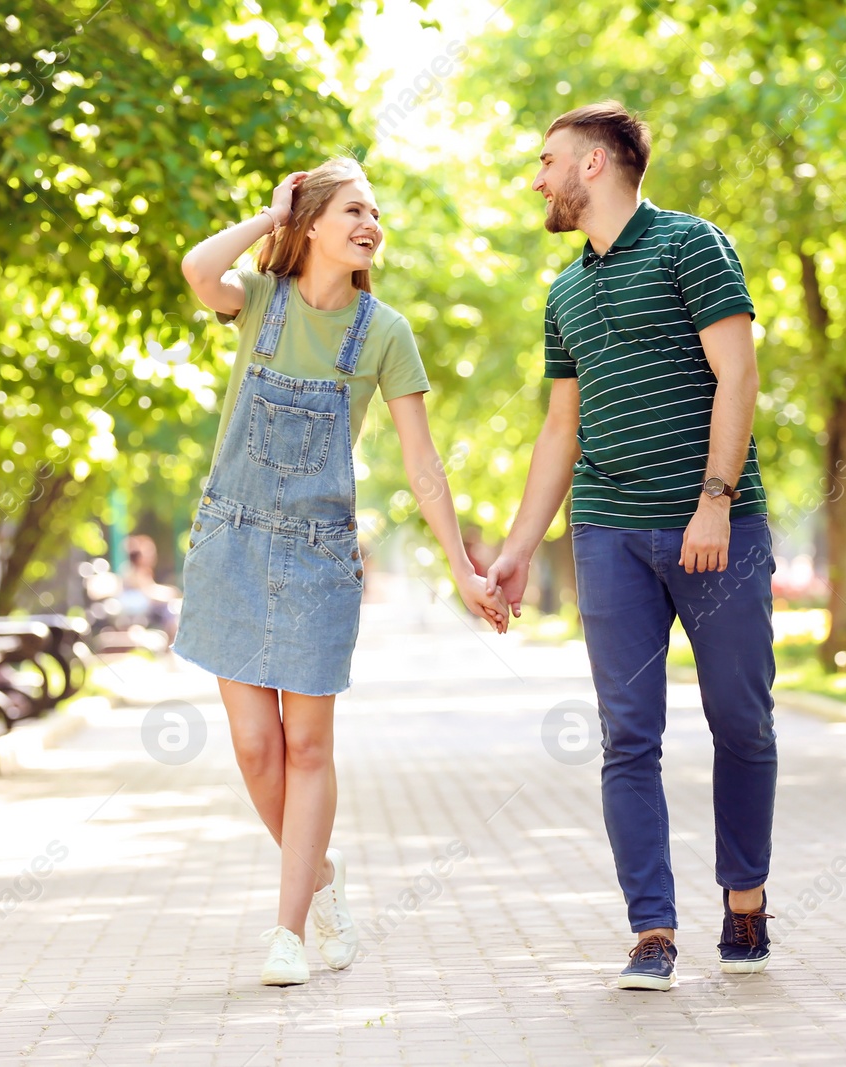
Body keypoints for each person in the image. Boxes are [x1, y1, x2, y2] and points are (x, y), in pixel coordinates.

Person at [175, 158, 508, 987]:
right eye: (354, 209)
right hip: (233, 541)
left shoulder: (385, 332)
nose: (371, 224)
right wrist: (268, 213)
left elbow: (423, 465)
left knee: (308, 743)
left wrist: (465, 569)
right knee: (257, 749)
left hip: (320, 554)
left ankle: (286, 932)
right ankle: (320, 877)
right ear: (314, 223)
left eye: (377, 215)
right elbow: (196, 270)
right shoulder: (259, 304)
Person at [486, 102, 778, 991]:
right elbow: (558, 433)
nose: (536, 178)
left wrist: (715, 502)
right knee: (627, 737)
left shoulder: (693, 245)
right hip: (608, 531)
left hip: (714, 528)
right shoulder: (563, 292)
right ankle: (652, 929)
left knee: (741, 719)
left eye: (547, 161)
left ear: (594, 166)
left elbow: (738, 372)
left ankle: (746, 899)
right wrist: (518, 547)